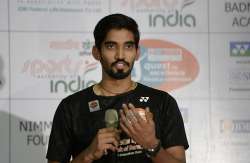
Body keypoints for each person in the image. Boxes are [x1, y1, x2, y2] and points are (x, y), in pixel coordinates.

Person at [46, 13, 189, 163]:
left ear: (137, 52)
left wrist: (152, 145)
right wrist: (88, 155)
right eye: (111, 46)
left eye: (128, 46)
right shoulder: (71, 107)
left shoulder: (162, 102)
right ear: (96, 52)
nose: (120, 55)